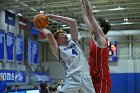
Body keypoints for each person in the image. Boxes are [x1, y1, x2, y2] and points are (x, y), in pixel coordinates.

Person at [36, 13, 96, 93]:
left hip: (86, 77)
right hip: (72, 78)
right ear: (57, 40)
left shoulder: (74, 42)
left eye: (65, 34)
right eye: (62, 35)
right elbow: (49, 34)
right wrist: (41, 28)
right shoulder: (58, 50)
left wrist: (54, 16)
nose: (65, 35)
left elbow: (73, 22)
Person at [80, 0, 112, 93]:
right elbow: (85, 17)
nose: (93, 24)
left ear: (101, 28)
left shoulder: (101, 39)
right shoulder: (93, 36)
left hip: (102, 78)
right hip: (92, 77)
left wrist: (86, 1)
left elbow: (90, 15)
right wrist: (82, 4)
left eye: (96, 23)